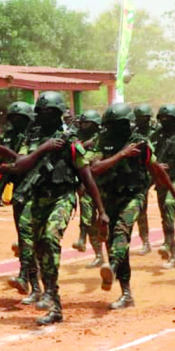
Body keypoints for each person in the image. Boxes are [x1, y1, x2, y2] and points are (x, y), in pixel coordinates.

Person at [5, 92, 107, 324]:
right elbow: (19, 165)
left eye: (51, 112)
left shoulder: (71, 141)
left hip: (63, 196)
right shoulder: (31, 139)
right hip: (36, 198)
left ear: (59, 113)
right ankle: (55, 303)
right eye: (42, 112)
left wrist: (101, 210)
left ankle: (50, 292)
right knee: (38, 247)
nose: (46, 115)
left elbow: (86, 175)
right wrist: (44, 148)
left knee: (51, 238)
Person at [88, 103, 175, 309]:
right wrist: (121, 154)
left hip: (134, 196)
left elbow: (155, 168)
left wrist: (173, 191)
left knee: (122, 230)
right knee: (114, 243)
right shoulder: (101, 143)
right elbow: (95, 169)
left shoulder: (140, 143)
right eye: (112, 125)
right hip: (109, 197)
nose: (116, 129)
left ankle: (111, 266)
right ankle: (126, 293)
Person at [0, 101, 39, 303]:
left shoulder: (36, 136)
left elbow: (29, 162)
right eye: (14, 118)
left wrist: (13, 165)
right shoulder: (8, 137)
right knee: (24, 236)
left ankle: (29, 280)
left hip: (37, 190)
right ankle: (32, 285)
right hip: (19, 191)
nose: (17, 122)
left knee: (33, 237)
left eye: (21, 119)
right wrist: (13, 168)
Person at [151, 104, 175, 268]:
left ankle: (168, 242)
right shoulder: (155, 136)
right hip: (161, 180)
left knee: (169, 205)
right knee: (166, 218)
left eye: (168, 118)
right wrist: (158, 166)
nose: (165, 121)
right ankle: (174, 254)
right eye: (162, 118)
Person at [70, 110, 106, 269]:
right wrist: (85, 145)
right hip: (86, 184)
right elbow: (73, 153)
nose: (83, 126)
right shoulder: (79, 137)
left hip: (105, 184)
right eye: (82, 123)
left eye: (87, 123)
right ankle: (97, 254)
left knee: (106, 222)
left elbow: (97, 158)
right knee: (88, 218)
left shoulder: (103, 138)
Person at [133, 103, 154, 255]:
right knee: (141, 211)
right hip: (140, 174)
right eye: (140, 118)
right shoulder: (132, 132)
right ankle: (145, 241)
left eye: (145, 118)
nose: (143, 120)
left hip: (155, 169)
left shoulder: (156, 132)